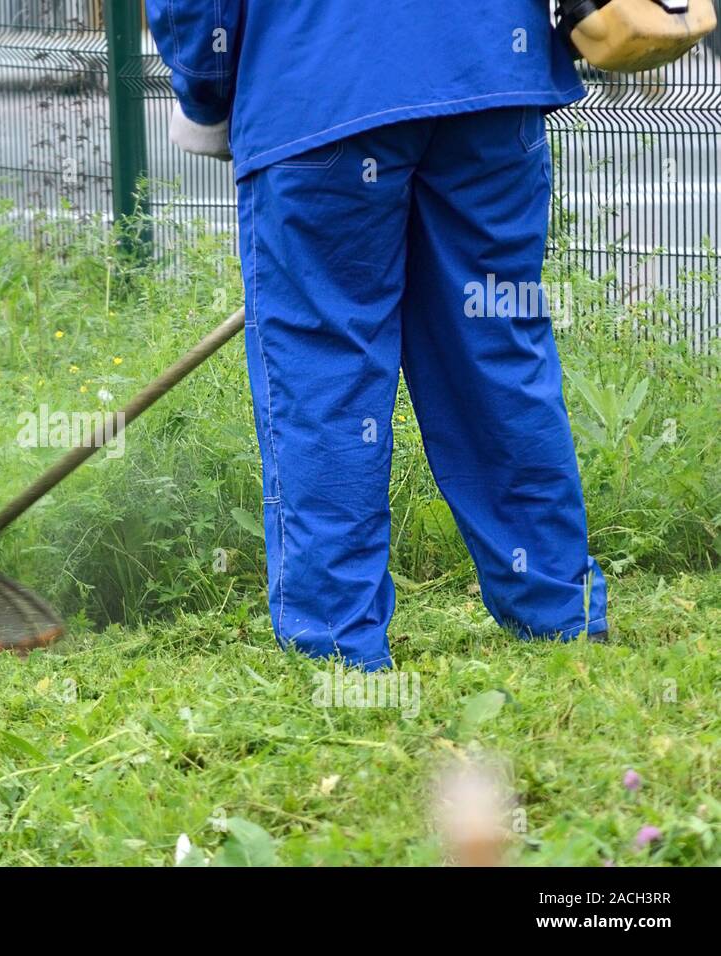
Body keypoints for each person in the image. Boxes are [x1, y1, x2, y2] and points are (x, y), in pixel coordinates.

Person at [146, 1, 608, 670]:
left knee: (325, 373)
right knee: (496, 351)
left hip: (318, 92)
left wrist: (208, 92)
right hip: (488, 77)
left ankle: (338, 644)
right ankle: (560, 611)